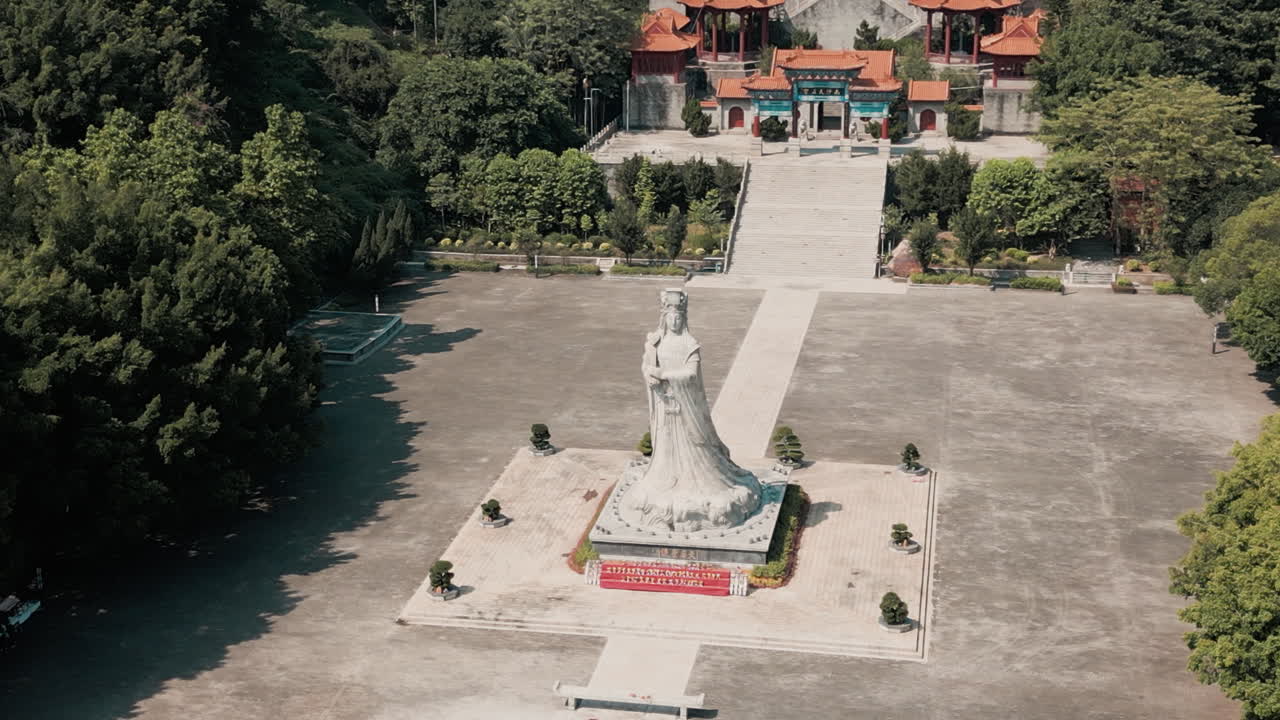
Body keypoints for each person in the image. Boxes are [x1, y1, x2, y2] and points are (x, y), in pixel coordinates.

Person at [620, 289, 761, 531]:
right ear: (664, 316)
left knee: (695, 446)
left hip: (686, 408)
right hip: (665, 407)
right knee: (666, 445)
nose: (674, 321)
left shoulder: (689, 344)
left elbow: (691, 374)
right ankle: (664, 481)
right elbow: (647, 364)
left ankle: (702, 484)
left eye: (678, 317)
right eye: (670, 316)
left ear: (684, 319)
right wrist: (649, 374)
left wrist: (663, 374)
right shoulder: (656, 341)